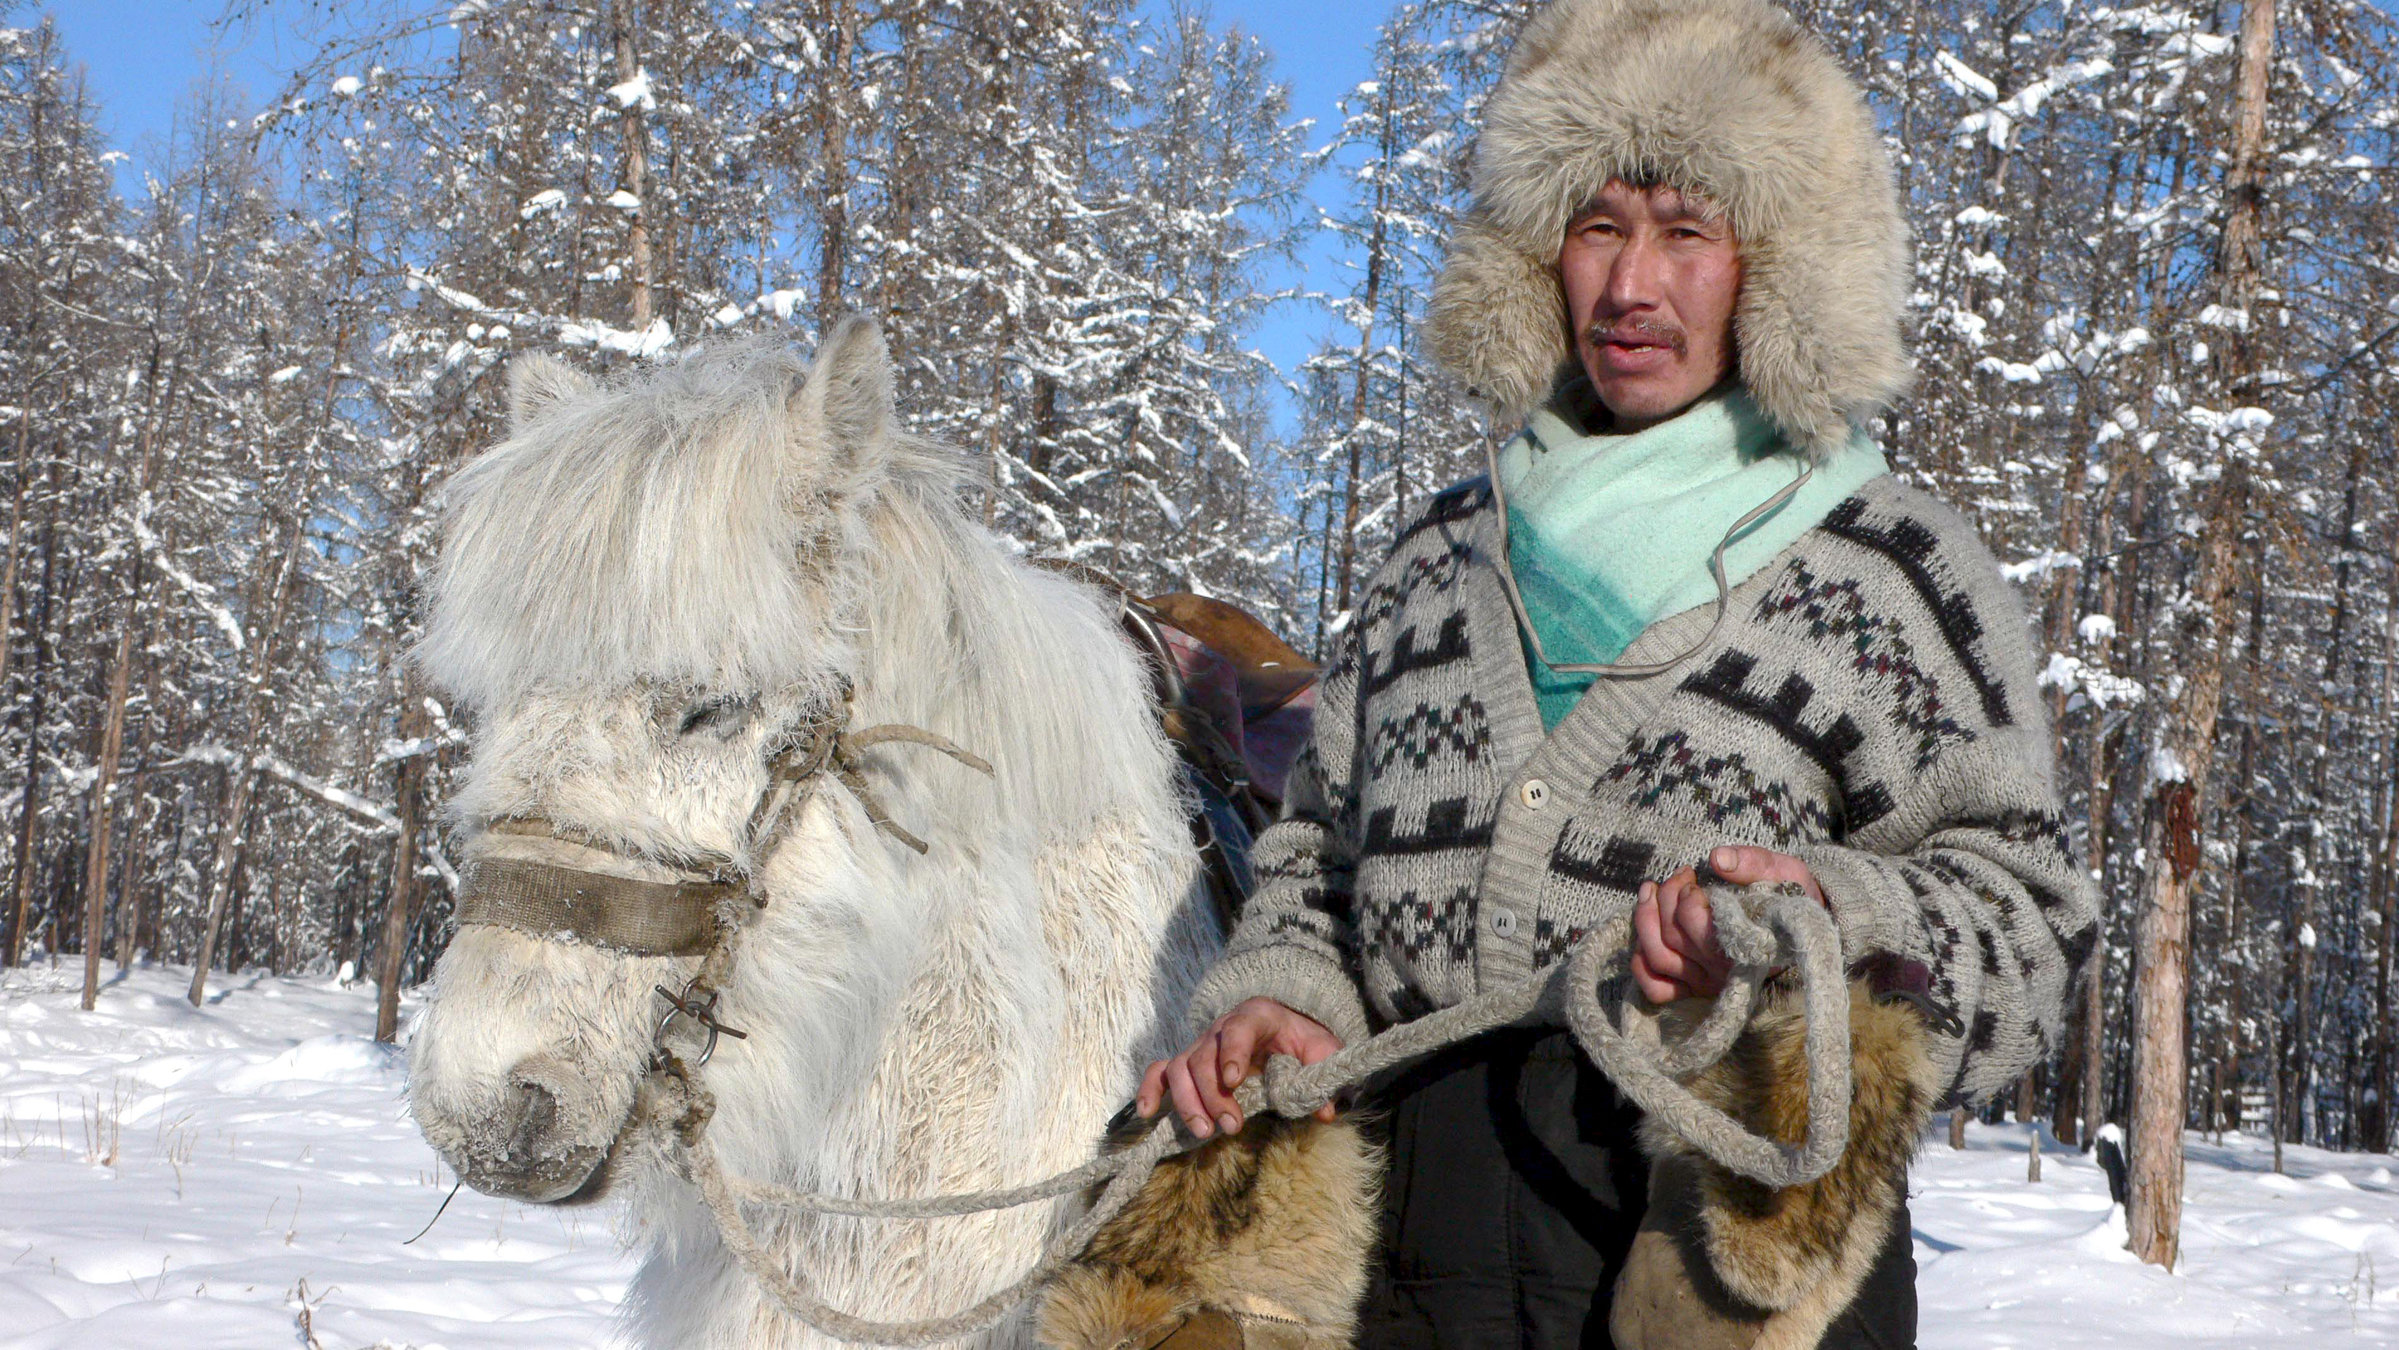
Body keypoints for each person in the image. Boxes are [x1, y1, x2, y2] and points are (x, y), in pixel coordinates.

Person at [1136, 0, 2101, 1345]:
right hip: (1414, 1281)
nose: (1632, 285)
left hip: (1724, 1278)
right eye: (1598, 225)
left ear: (1776, 263)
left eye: (1687, 229)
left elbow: (2028, 924)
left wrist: (1817, 925)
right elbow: (1317, 865)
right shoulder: (1434, 564)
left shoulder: (1888, 570)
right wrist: (1280, 1000)